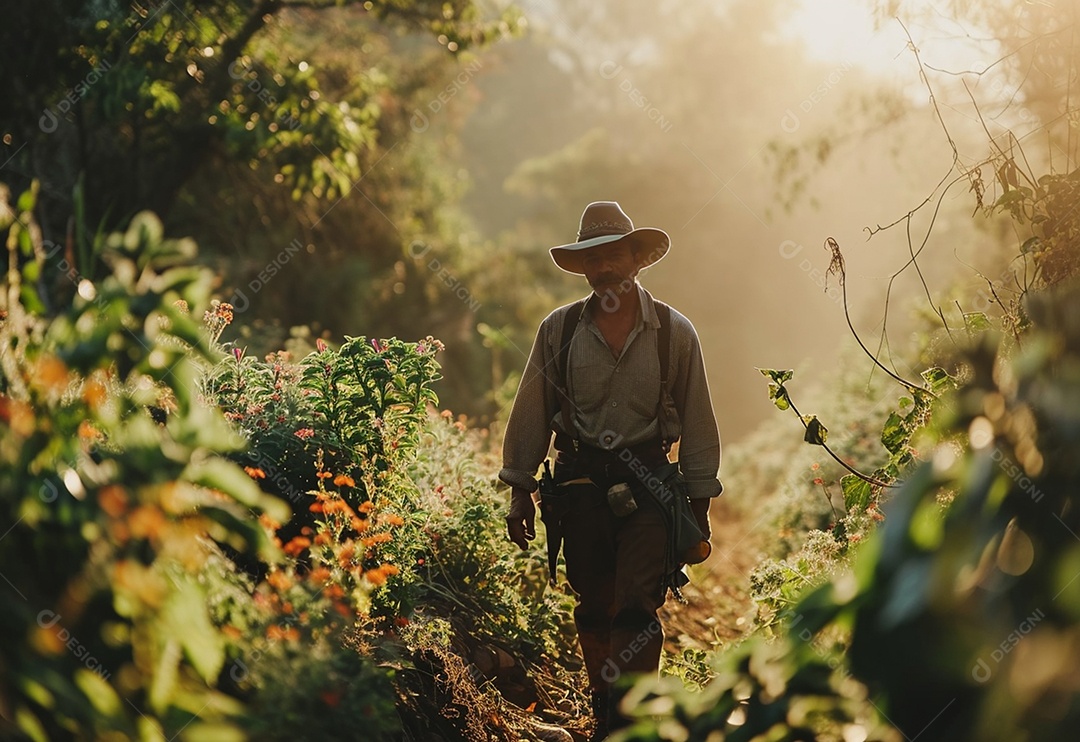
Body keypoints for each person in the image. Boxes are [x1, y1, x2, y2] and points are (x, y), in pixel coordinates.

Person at [499, 201, 723, 738]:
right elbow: (531, 411)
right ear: (582, 267)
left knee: (636, 609)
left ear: (637, 260)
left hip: (651, 487)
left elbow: (698, 419)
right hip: (578, 485)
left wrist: (699, 506)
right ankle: (605, 705)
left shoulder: (675, 332)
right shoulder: (558, 332)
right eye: (594, 258)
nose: (606, 268)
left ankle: (631, 720)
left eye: (615, 255)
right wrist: (519, 490)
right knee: (594, 604)